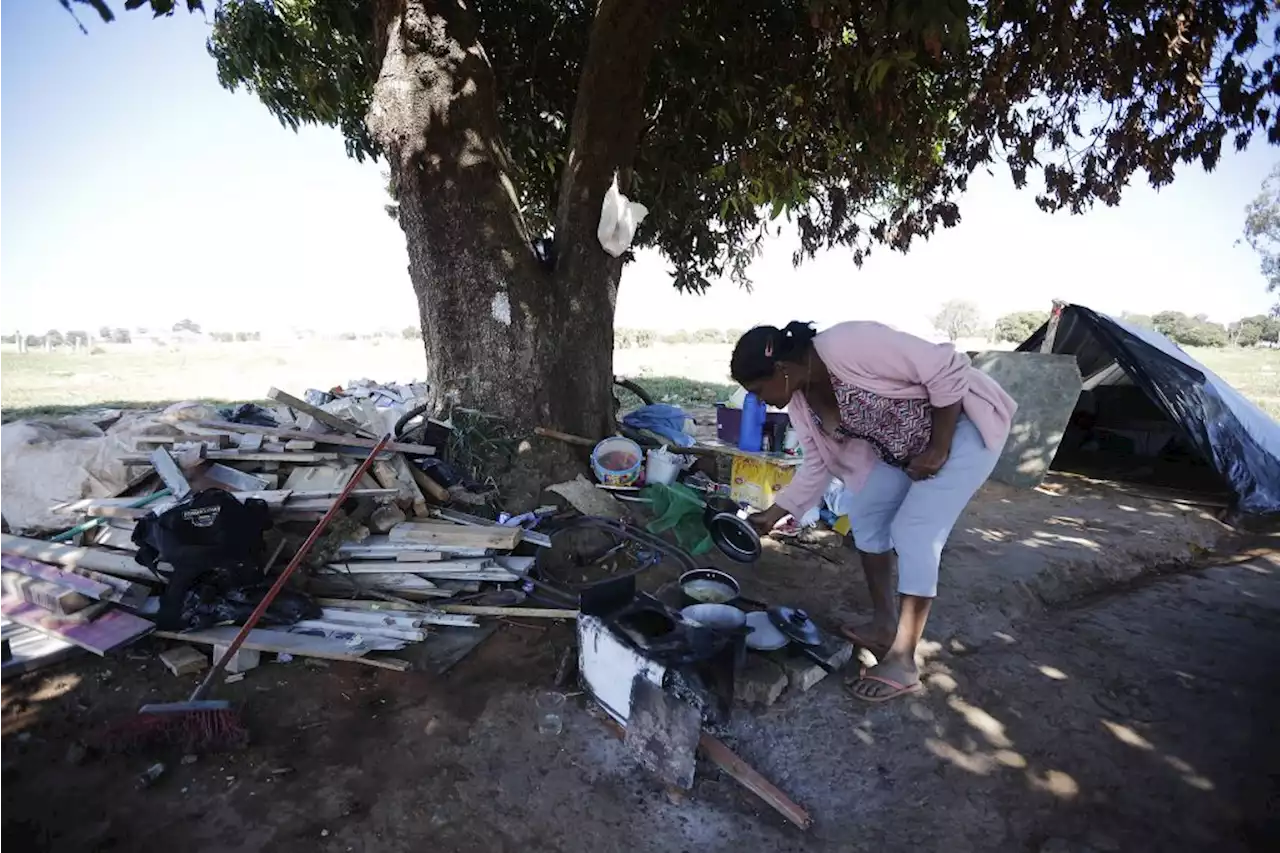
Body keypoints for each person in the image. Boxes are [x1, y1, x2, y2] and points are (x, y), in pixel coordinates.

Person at [731, 321, 1016, 703]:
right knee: (866, 514)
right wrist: (775, 512)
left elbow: (948, 367)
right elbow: (817, 463)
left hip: (963, 426)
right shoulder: (800, 399)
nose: (761, 401)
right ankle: (884, 626)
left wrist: (939, 446)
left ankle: (903, 661)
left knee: (916, 529)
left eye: (758, 391)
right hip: (907, 448)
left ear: (781, 370)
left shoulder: (848, 344)